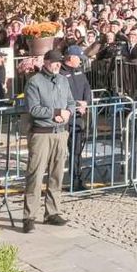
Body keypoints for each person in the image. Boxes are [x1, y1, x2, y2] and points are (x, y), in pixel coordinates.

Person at [23, 51, 76, 233]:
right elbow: (34, 109)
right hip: (41, 134)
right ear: (46, 62)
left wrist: (68, 112)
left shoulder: (63, 80)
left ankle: (52, 212)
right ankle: (29, 216)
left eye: (59, 63)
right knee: (35, 175)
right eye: (54, 63)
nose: (57, 66)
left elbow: (71, 102)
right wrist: (56, 113)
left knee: (57, 174)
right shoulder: (34, 82)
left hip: (60, 133)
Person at [60, 46, 93, 191]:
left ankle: (76, 180)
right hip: (65, 117)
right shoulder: (60, 73)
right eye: (78, 58)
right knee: (59, 152)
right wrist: (74, 105)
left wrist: (86, 102)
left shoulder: (80, 71)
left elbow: (87, 88)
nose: (80, 61)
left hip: (79, 117)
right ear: (70, 58)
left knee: (76, 151)